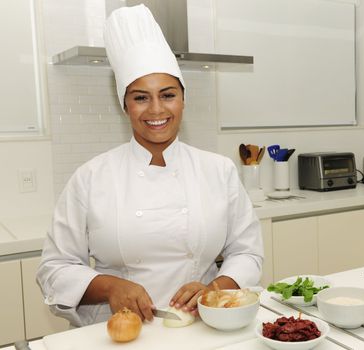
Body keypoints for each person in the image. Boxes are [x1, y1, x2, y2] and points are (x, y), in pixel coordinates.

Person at [36, 4, 263, 327]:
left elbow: (248, 253)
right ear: (124, 105)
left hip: (203, 326)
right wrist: (112, 286)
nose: (156, 109)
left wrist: (215, 290)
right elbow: (54, 268)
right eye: (141, 97)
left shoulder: (218, 170)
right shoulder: (91, 177)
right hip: (120, 331)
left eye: (168, 95)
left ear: (183, 100)